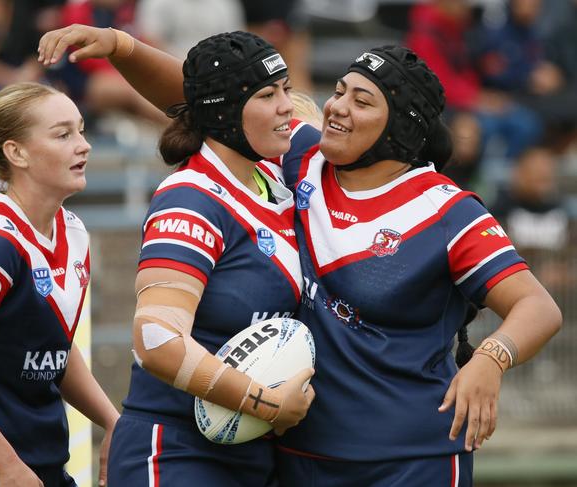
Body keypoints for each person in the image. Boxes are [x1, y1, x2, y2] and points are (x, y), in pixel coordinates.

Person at [38, 27, 562, 486]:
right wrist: (120, 46)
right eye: (338, 92)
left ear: (400, 128)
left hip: (410, 457)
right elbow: (216, 97)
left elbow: (538, 308)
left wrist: (492, 361)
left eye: (362, 101)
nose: (334, 108)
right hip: (297, 456)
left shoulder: (447, 210)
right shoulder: (303, 160)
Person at [50, 30, 314, 485]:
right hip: (175, 453)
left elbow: (203, 89)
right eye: (270, 94)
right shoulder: (191, 198)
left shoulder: (274, 177)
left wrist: (122, 46)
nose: (288, 106)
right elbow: (156, 339)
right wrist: (264, 403)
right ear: (227, 115)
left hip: (250, 456)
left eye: (287, 90)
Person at [0, 82, 119, 487]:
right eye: (63, 134)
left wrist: (112, 421)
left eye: (82, 130)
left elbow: (55, 350)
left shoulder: (73, 232)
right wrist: (6, 465)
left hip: (43, 463)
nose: (83, 145)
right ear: (17, 152)